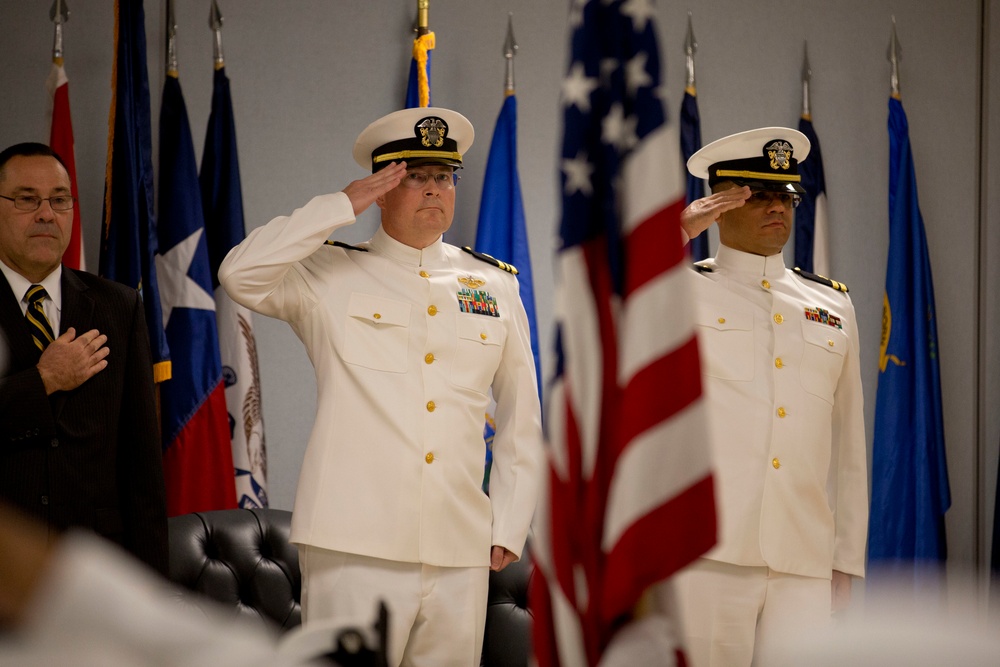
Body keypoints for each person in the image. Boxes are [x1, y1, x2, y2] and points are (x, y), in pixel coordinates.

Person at [219, 107, 543, 666]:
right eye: (415, 176)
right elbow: (238, 273)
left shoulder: (494, 283)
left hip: (457, 543)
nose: (434, 190)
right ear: (383, 184)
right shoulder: (326, 273)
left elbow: (522, 413)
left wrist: (509, 521)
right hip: (353, 543)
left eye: (444, 177)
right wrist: (340, 207)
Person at [660, 127, 869, 666]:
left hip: (804, 557)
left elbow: (848, 443)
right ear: (718, 204)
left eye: (785, 196)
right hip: (707, 556)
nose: (777, 207)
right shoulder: (677, 291)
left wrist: (846, 558)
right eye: (756, 194)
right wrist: (674, 234)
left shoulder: (832, 306)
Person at [0, 143, 168, 574]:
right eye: (25, 199)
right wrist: (43, 381)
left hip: (96, 574)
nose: (45, 214)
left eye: (59, 199)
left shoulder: (118, 305)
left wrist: (154, 596)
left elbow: (141, 466)